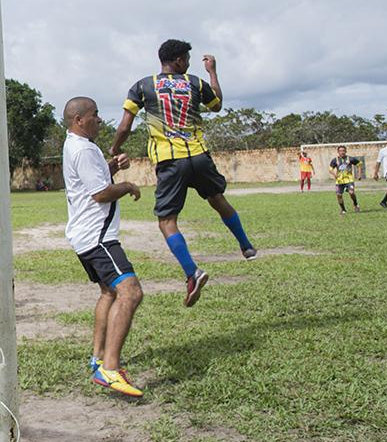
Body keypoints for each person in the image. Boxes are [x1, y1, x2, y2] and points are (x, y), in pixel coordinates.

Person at [111, 39, 256, 308]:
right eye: (186, 59)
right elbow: (217, 106)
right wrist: (212, 72)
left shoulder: (142, 86)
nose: (188, 63)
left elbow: (124, 126)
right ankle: (246, 246)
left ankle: (193, 272)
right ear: (178, 60)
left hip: (169, 160)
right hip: (199, 156)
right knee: (217, 199)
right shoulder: (195, 82)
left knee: (167, 221)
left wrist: (114, 148)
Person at [63, 97, 144, 397]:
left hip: (86, 236)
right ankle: (110, 369)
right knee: (131, 291)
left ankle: (97, 357)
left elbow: (91, 182)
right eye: (95, 115)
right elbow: (100, 194)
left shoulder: (75, 144)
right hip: (98, 238)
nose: (99, 119)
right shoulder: (83, 148)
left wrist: (110, 166)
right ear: (79, 120)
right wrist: (127, 186)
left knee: (109, 292)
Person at [329, 146, 360, 214]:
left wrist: (359, 174)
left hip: (349, 180)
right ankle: (343, 209)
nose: (342, 152)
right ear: (338, 152)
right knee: (339, 195)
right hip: (339, 181)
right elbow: (330, 169)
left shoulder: (350, 159)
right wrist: (335, 175)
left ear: (346, 151)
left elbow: (359, 164)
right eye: (340, 151)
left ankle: (355, 204)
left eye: (343, 150)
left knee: (351, 193)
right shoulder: (335, 160)